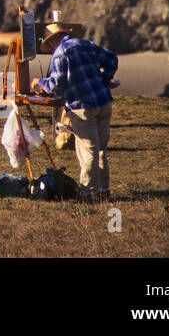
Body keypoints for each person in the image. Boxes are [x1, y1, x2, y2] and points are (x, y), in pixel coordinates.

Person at [31, 20, 118, 201]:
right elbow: (111, 58)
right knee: (101, 149)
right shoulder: (85, 44)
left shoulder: (61, 53)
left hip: (81, 106)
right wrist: (104, 78)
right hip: (103, 100)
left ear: (53, 41)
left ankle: (87, 193)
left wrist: (38, 82)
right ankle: (103, 190)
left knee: (88, 151)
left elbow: (55, 84)